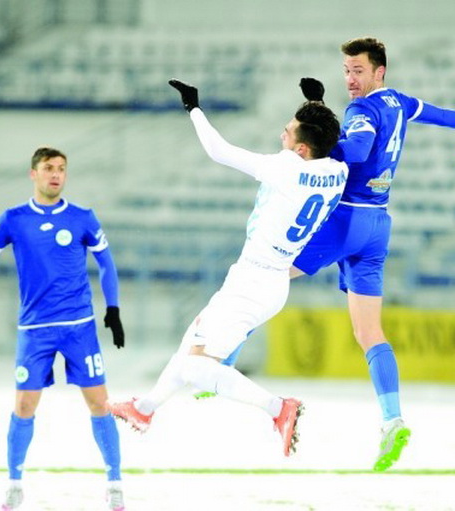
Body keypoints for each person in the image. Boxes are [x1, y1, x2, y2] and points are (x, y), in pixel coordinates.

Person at [258, 36, 455, 471]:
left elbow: (355, 151)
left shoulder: (363, 110)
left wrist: (318, 130)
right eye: (346, 71)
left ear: (379, 72)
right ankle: (392, 419)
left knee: (267, 272)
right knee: (369, 334)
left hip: (347, 220)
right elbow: (436, 114)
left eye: (358, 71)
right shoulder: (400, 102)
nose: (351, 79)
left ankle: (219, 360)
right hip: (378, 226)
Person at [110, 80, 348, 458]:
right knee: (191, 342)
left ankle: (278, 408)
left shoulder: (286, 167)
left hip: (253, 281)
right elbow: (325, 139)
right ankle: (144, 409)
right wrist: (315, 104)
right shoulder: (338, 171)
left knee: (196, 368)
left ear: (301, 148)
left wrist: (193, 108)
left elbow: (218, 150)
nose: (280, 134)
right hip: (270, 281)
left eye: (287, 132)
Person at [0, 147, 127, 510]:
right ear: (33, 174)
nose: (56, 174)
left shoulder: (83, 217)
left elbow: (107, 263)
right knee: (24, 404)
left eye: (61, 169)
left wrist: (113, 309)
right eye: (48, 168)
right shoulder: (13, 219)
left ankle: (114, 482)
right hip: (35, 329)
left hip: (78, 327)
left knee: (99, 402)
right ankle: (14, 483)